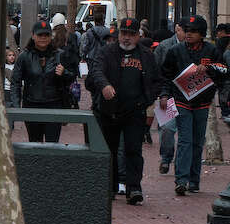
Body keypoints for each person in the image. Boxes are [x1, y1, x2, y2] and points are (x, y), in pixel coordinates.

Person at [89, 18, 162, 205]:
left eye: (131, 34)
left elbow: (156, 80)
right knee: (110, 150)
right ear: (118, 34)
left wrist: (147, 99)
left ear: (138, 35)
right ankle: (110, 187)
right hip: (109, 110)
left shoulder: (146, 55)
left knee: (133, 149)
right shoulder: (107, 52)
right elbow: (96, 71)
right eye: (124, 33)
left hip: (135, 111)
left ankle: (134, 187)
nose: (127, 38)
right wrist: (104, 85)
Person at [159, 15, 227, 195]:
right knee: (185, 141)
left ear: (202, 34)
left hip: (203, 103)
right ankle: (181, 180)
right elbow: (165, 76)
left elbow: (224, 70)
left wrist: (210, 68)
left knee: (197, 143)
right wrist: (165, 95)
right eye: (187, 31)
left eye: (193, 31)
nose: (189, 34)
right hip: (181, 101)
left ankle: (194, 180)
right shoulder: (175, 51)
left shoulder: (211, 51)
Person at [11, 19, 78, 142]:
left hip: (54, 105)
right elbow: (15, 82)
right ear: (33, 36)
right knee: (34, 142)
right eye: (40, 35)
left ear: (50, 36)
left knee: (52, 144)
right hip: (31, 105)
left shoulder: (60, 55)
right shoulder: (24, 56)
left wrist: (64, 73)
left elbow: (73, 78)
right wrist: (16, 107)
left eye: (46, 35)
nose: (43, 38)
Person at [155, 21, 184, 174]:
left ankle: (181, 165)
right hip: (167, 93)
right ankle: (166, 158)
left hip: (187, 96)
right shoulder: (165, 46)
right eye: (182, 30)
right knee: (166, 129)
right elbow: (155, 68)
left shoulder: (197, 48)